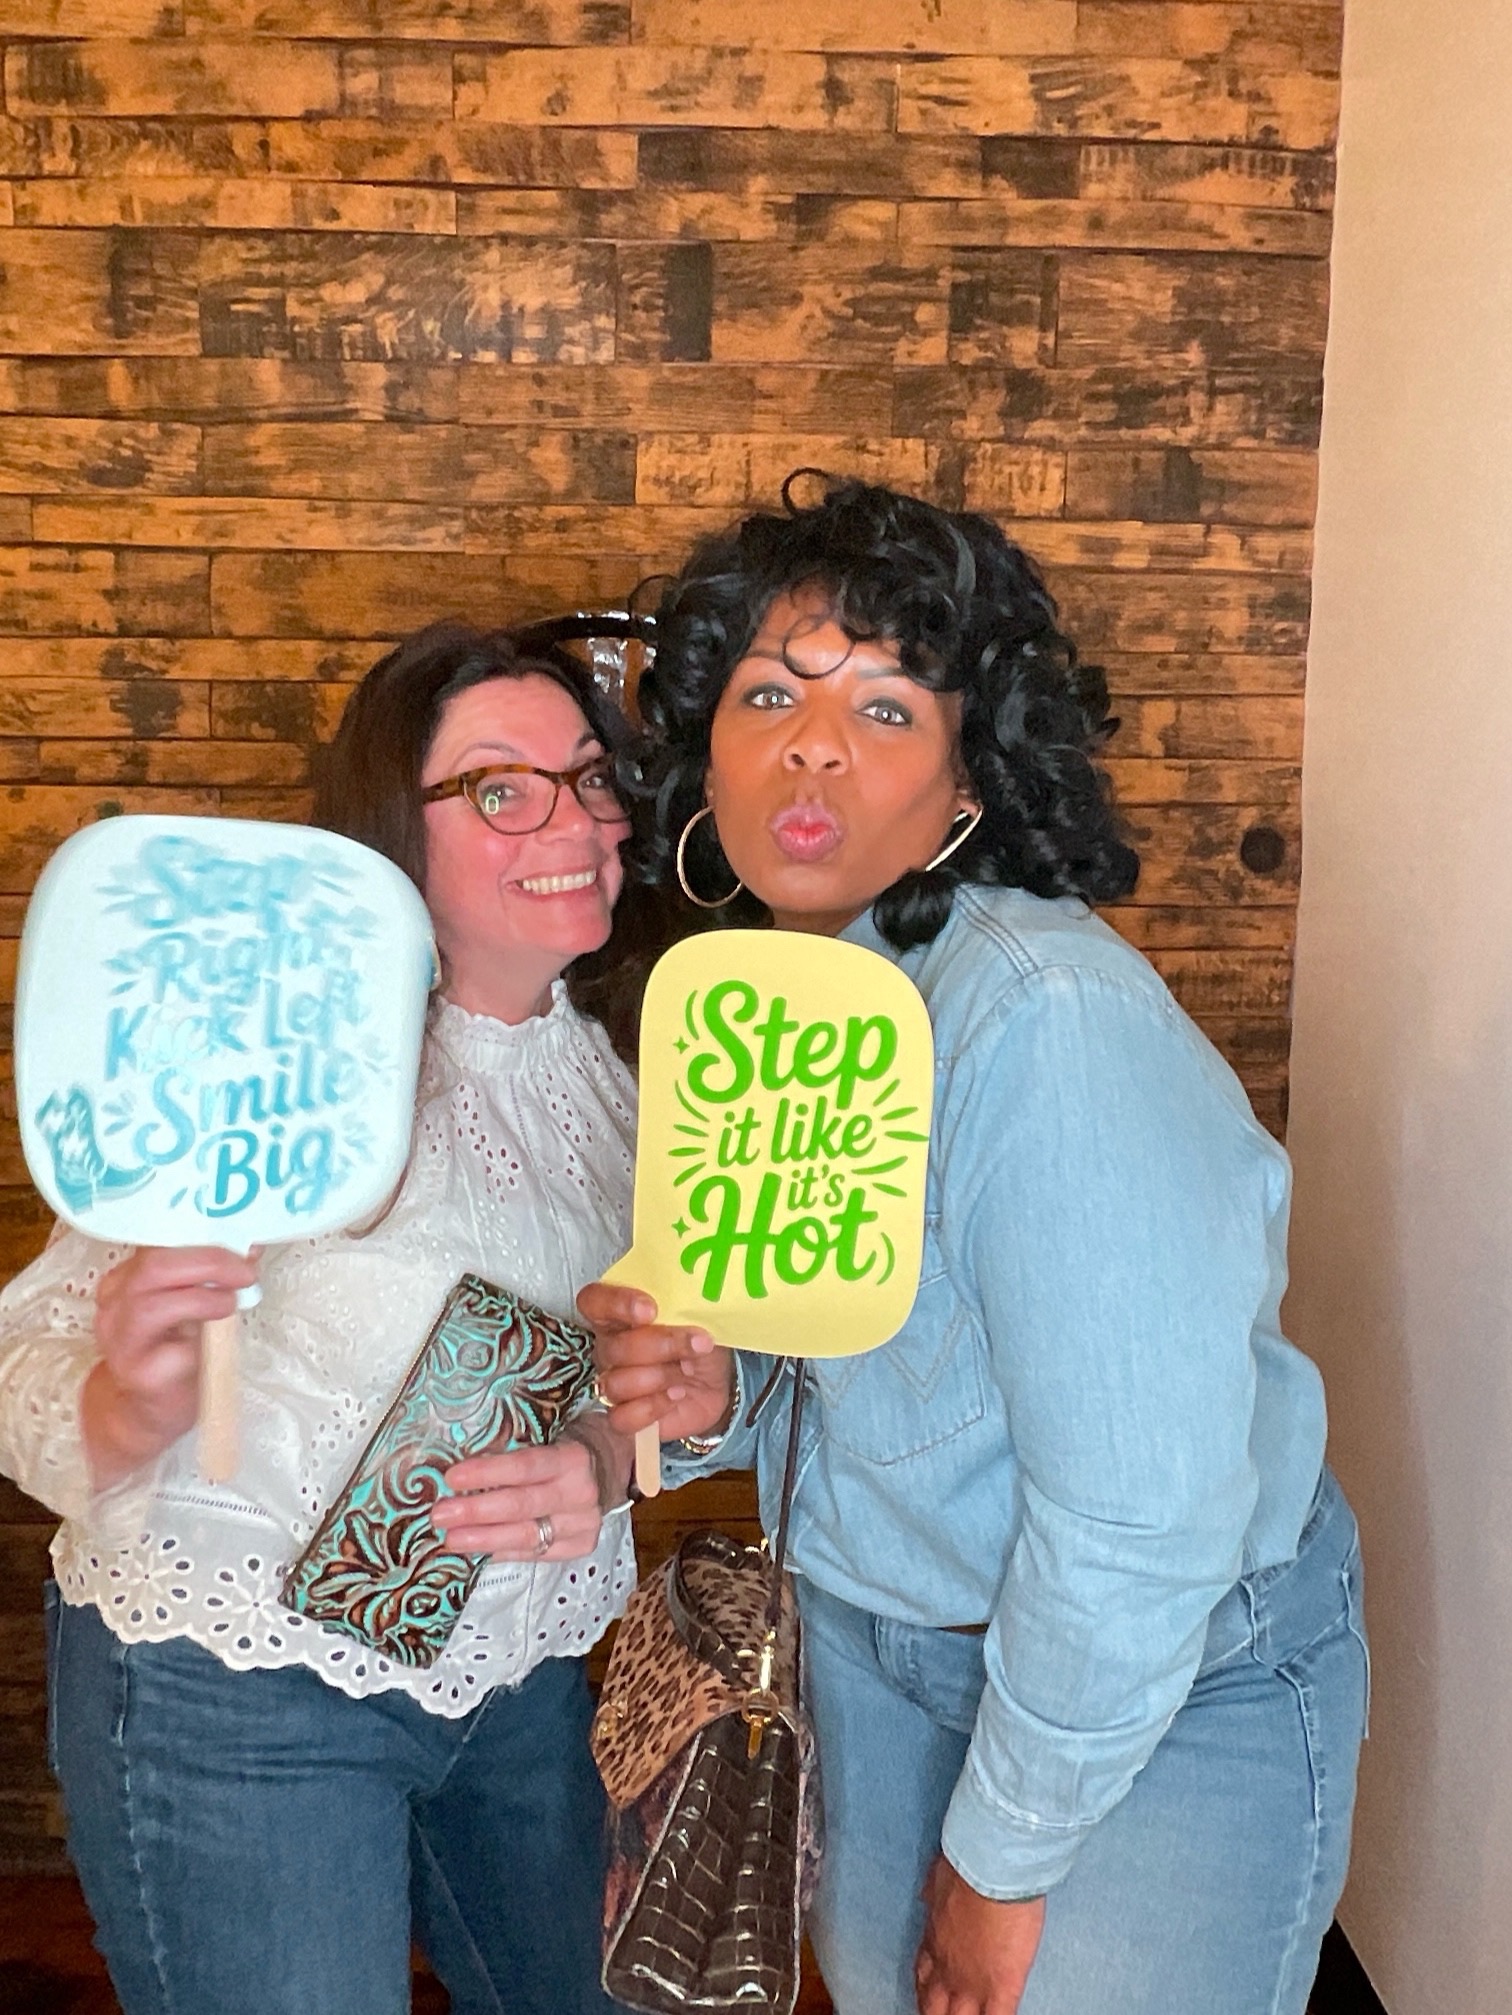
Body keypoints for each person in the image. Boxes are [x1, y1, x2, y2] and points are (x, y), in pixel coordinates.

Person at [583, 478, 1369, 2015]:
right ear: (707, 755)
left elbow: (1139, 1518)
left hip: (1147, 1693)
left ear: (965, 785)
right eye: (770, 695)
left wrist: (1000, 1860)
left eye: (886, 708)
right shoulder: (798, 998)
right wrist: (722, 1389)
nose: (814, 745)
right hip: (882, 1654)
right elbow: (878, 1347)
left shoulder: (1042, 1022)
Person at [0, 622, 643, 2015]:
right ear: (391, 829)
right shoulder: (270, 1035)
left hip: (516, 1685)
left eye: (589, 775)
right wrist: (125, 1399)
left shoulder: (618, 1076)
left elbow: (674, 1381)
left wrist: (608, 1455)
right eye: (500, 786)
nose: (573, 819)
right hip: (239, 1687)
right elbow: (23, 1353)